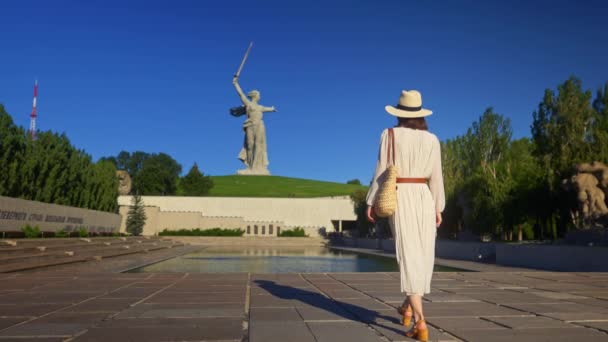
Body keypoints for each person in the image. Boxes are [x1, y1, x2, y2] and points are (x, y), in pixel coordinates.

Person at [365, 90, 445, 341]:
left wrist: (371, 201)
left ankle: (420, 323)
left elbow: (381, 171)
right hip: (424, 195)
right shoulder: (432, 139)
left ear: (399, 113)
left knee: (408, 254)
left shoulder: (389, 134)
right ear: (420, 114)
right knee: (422, 254)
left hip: (400, 194)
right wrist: (438, 207)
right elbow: (436, 176)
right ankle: (408, 306)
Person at [231, 76, 277, 174]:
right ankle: (251, 167)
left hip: (259, 126)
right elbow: (241, 94)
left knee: (258, 145)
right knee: (250, 145)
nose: (260, 97)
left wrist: (272, 109)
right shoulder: (248, 104)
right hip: (250, 126)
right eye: (259, 95)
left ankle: (258, 167)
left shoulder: (260, 107)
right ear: (255, 96)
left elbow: (268, 109)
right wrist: (235, 83)